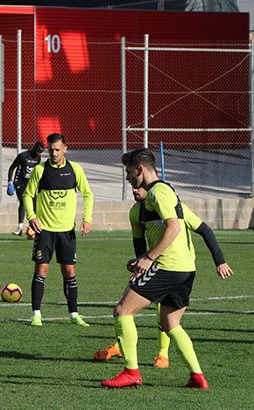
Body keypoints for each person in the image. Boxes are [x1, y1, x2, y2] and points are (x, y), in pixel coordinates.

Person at [101, 148, 210, 389]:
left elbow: (174, 227)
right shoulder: (163, 192)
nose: (128, 178)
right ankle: (197, 377)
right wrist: (141, 258)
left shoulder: (157, 193)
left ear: (140, 170)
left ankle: (131, 372)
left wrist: (149, 257)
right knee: (171, 324)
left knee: (122, 311)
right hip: (185, 268)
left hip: (167, 266)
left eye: (130, 172)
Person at [94, 185, 234, 367]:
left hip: (175, 267)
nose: (134, 189)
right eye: (132, 186)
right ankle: (121, 346)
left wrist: (220, 261)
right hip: (159, 265)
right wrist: (140, 262)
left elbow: (204, 230)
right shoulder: (136, 212)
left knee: (131, 309)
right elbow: (139, 241)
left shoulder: (176, 208)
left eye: (137, 185)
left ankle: (161, 354)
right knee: (129, 303)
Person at [22, 133, 93, 327]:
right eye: (51, 149)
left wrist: (87, 219)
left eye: (57, 149)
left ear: (65, 149)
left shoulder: (75, 170)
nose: (53, 153)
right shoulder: (40, 170)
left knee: (69, 271)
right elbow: (28, 195)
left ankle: (74, 314)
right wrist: (31, 217)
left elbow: (88, 194)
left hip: (67, 232)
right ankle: (36, 314)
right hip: (45, 230)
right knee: (41, 269)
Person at [7, 141, 45, 235]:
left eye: (40, 152)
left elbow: (36, 172)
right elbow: (12, 168)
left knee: (35, 205)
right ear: (34, 148)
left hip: (30, 184)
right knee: (24, 202)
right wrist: (10, 182)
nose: (38, 154)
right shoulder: (23, 156)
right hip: (19, 182)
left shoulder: (38, 158)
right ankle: (19, 228)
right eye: (37, 151)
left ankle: (35, 227)